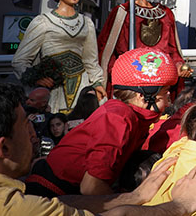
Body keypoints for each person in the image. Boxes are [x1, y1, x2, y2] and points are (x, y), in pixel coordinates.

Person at [0, 81, 196, 216]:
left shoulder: (10, 204)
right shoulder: (119, 117)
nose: (32, 134)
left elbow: (56, 205)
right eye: (25, 124)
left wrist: (132, 197)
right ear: (4, 148)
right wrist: (181, 205)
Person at [26, 48, 178, 197]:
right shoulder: (119, 118)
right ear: (142, 96)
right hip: (51, 193)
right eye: (165, 93)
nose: (168, 102)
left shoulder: (133, 118)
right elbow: (91, 187)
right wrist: (135, 200)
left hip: (66, 194)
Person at [12, 0, 105, 113]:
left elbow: (90, 60)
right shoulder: (43, 22)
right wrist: (37, 78)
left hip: (81, 85)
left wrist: (98, 83)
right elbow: (20, 60)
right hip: (53, 88)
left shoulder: (87, 23)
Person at [97, 0, 190, 90]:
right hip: (131, 77)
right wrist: (117, 72)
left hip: (160, 78)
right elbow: (107, 50)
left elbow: (173, 50)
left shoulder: (166, 14)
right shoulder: (123, 12)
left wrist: (179, 66)